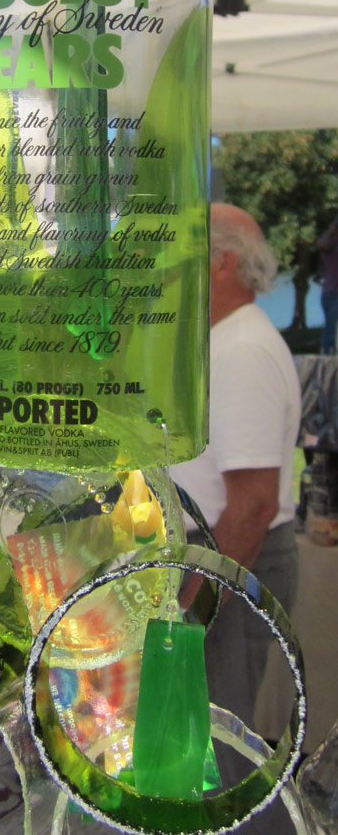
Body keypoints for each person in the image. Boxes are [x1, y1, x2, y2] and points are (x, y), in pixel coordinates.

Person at [172, 204, 301, 742]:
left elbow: (253, 504)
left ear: (221, 263)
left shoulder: (244, 349)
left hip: (229, 560)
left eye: (182, 249)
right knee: (194, 736)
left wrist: (193, 612)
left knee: (215, 745)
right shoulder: (227, 339)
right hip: (219, 556)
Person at [317, 217, 338, 354]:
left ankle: (328, 353)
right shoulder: (330, 243)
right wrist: (332, 229)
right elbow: (321, 244)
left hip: (329, 292)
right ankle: (328, 354)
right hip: (333, 293)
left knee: (331, 327)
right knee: (331, 328)